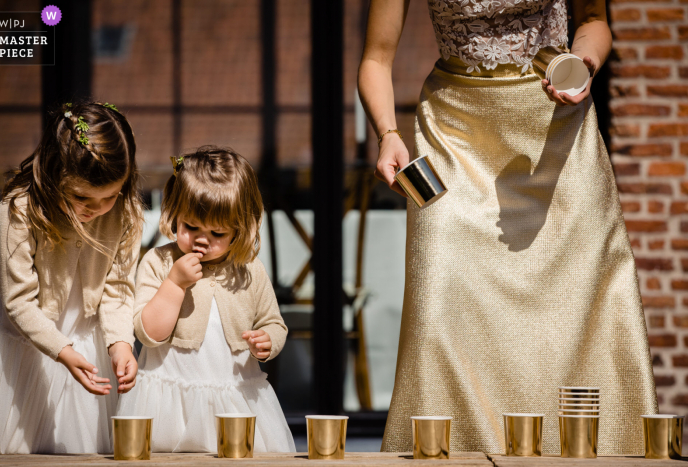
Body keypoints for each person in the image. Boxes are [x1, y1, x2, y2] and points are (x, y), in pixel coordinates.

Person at [358, 0, 657, 455]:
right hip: (454, 133)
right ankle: (450, 459)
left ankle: (591, 453)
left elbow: (594, 23)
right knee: (441, 299)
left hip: (555, 128)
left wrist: (583, 63)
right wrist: (387, 134)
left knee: (580, 304)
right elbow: (375, 59)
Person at [117, 146, 295, 453]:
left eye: (217, 233)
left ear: (240, 230)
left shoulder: (249, 269)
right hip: (169, 400)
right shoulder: (159, 262)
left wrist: (267, 341)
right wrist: (174, 284)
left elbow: (273, 323)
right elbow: (149, 334)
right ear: (174, 214)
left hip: (235, 397)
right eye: (191, 227)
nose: (202, 239)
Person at [0, 102, 143, 454]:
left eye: (109, 196)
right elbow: (18, 302)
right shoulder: (17, 212)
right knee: (15, 448)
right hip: (20, 343)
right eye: (80, 196)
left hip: (86, 344)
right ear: (55, 172)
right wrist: (63, 352)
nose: (95, 207)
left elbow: (118, 291)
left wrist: (120, 343)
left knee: (78, 448)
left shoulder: (126, 214)